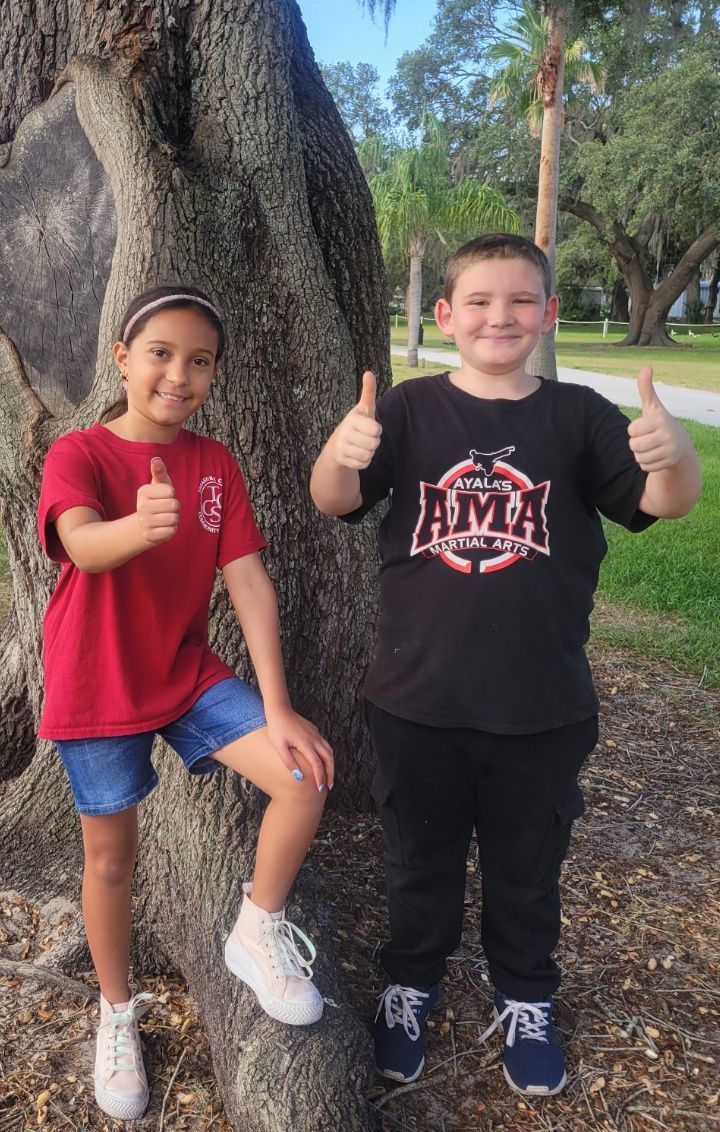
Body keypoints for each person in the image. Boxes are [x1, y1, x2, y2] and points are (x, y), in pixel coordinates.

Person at [310, 234, 701, 1096]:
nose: (500, 316)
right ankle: (410, 984)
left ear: (549, 314)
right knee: (420, 857)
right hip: (416, 699)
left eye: (521, 301)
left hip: (543, 703)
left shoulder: (579, 418)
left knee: (528, 866)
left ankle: (527, 995)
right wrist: (339, 455)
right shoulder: (408, 411)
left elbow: (663, 505)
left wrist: (679, 461)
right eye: (479, 301)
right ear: (445, 316)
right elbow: (335, 501)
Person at [38, 285, 334, 1122]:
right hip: (95, 682)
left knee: (302, 774)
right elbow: (83, 544)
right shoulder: (79, 453)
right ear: (123, 359)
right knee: (111, 861)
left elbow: (248, 582)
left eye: (199, 360)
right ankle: (117, 1014)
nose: (179, 373)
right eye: (161, 353)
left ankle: (256, 930)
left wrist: (277, 707)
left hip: (183, 669)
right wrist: (140, 527)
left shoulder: (216, 464)